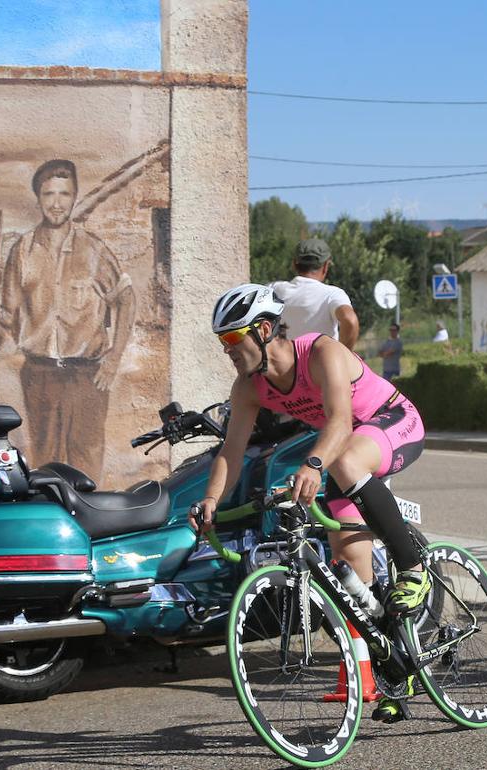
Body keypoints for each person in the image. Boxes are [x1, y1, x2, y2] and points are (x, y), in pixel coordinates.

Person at [195, 283, 427, 722]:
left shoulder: (320, 352)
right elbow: (231, 451)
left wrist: (314, 464)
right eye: (220, 341)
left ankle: (412, 566)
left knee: (344, 460)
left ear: (263, 330)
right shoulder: (249, 387)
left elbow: (340, 421)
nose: (226, 349)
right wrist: (209, 501)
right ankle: (398, 662)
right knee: (349, 567)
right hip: (344, 456)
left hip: (392, 423)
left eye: (231, 338)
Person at [0, 159, 135, 476]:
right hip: (39, 374)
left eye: (64, 194)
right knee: (44, 458)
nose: (56, 203)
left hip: (86, 375)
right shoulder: (22, 251)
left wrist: (113, 359)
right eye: (48, 194)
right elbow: (7, 315)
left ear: (75, 196)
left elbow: (126, 299)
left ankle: (90, 524)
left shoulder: (94, 250)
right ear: (38, 198)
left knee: (86, 458)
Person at [269, 238, 360, 349]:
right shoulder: (332, 294)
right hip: (322, 364)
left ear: (294, 264)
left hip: (284, 365)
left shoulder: (273, 289)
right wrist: (344, 356)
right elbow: (350, 320)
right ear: (326, 266)